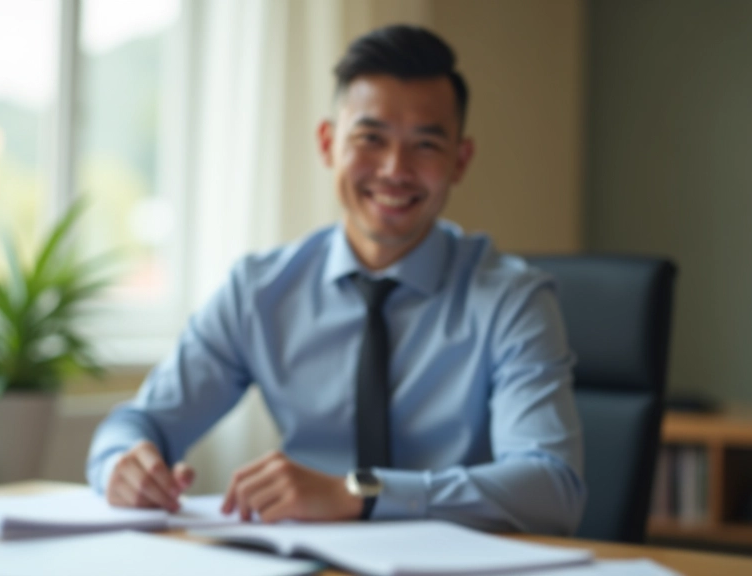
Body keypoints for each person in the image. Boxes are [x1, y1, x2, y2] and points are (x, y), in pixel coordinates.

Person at [87, 24, 585, 535]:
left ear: (460, 160)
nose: (395, 169)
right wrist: (122, 465)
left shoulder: (513, 300)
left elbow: (552, 490)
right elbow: (138, 423)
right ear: (328, 144)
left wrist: (361, 494)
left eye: (426, 145)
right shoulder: (260, 291)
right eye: (371, 138)